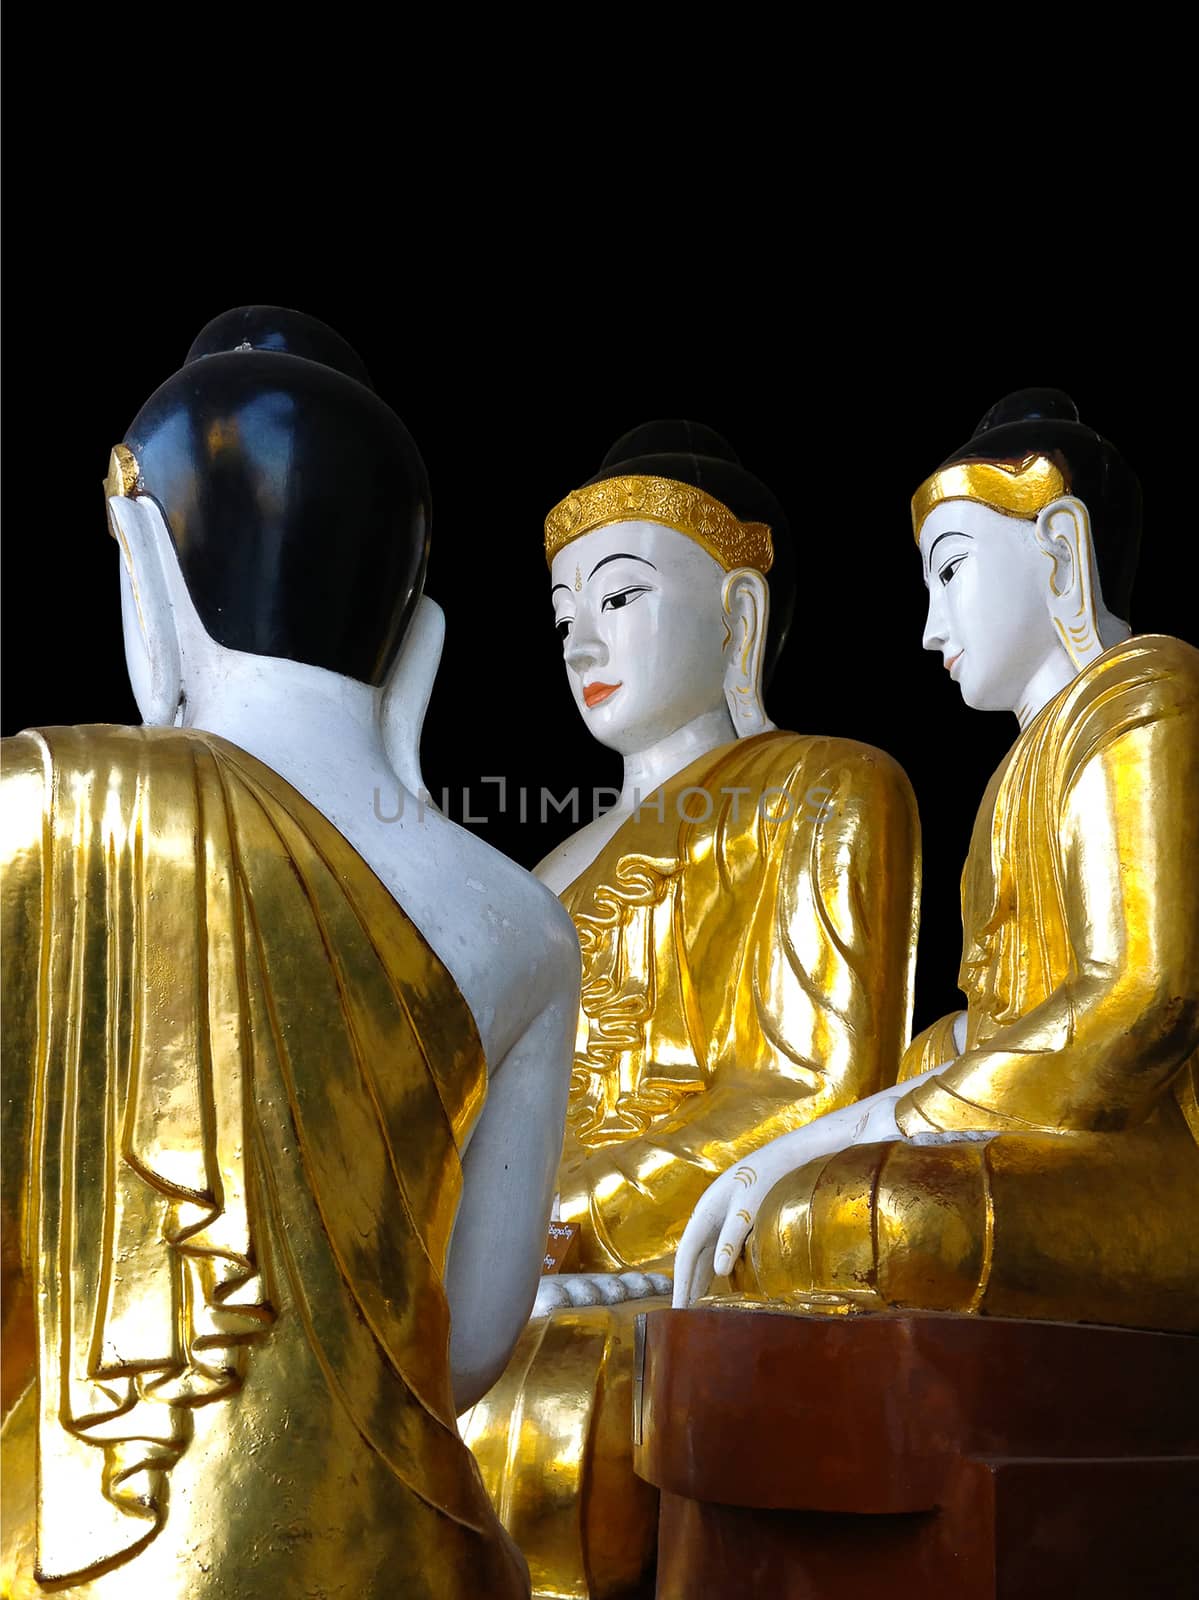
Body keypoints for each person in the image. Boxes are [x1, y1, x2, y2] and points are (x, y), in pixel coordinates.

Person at [0, 308, 580, 1598]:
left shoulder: (51, 802)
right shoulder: (521, 920)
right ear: (413, 631)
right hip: (415, 1560)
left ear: (145, 570)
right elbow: (472, 1338)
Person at [462, 421, 921, 1598]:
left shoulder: (826, 788)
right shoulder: (539, 874)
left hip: (667, 1254)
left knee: (554, 1405)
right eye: (562, 606)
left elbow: (821, 1091)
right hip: (507, 1258)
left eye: (620, 594)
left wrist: (556, 1213)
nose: (579, 633)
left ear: (737, 616)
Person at [674, 389, 1199, 1332]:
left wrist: (857, 1128)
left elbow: (1138, 1000)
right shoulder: (1015, 773)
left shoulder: (1144, 696)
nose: (928, 628)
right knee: (799, 1209)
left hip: (1147, 1149)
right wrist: (876, 1104)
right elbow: (996, 1021)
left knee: (858, 1212)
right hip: (1036, 1135)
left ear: (1057, 548)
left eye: (949, 572)